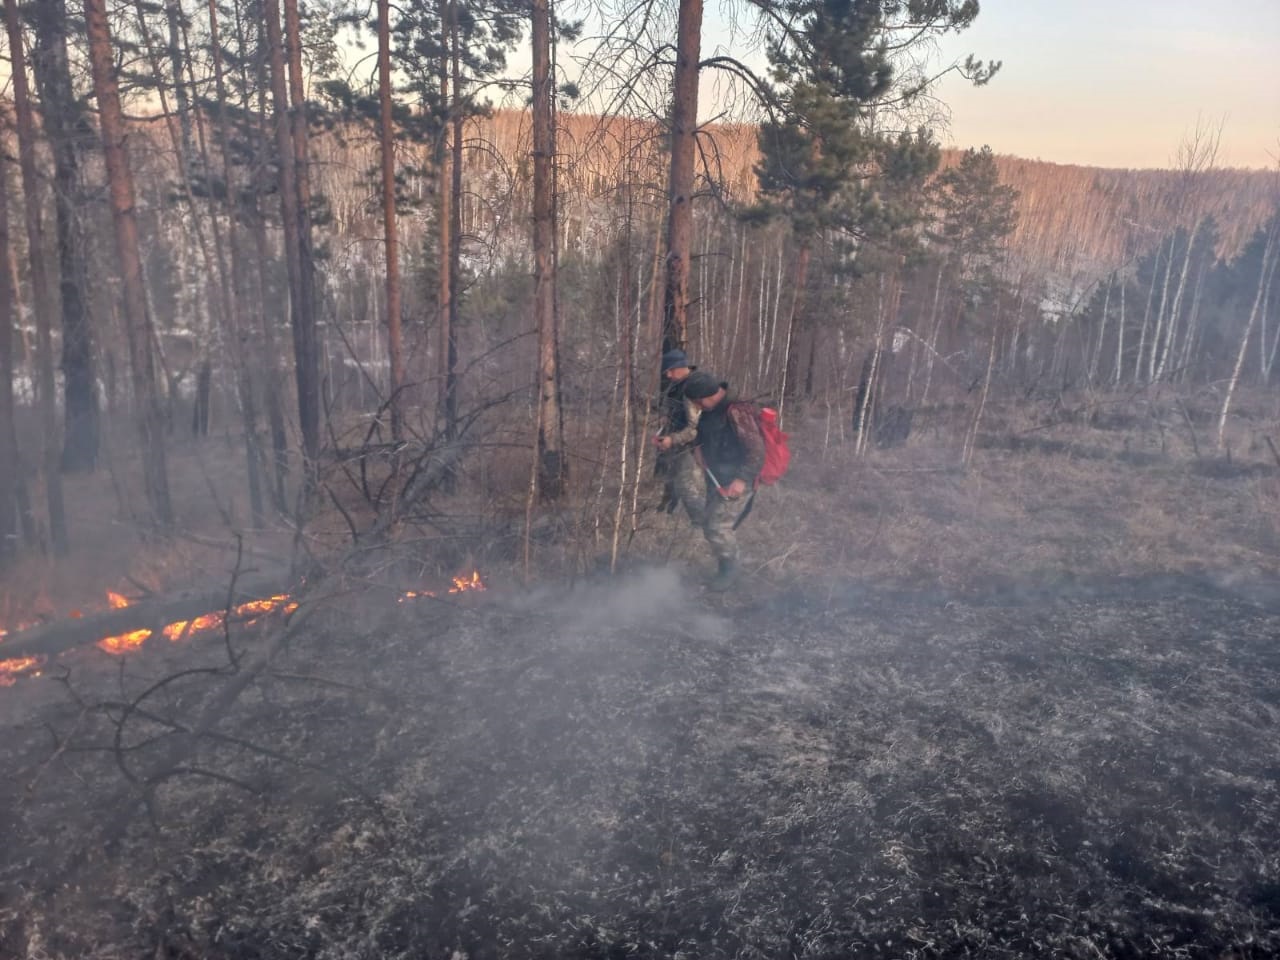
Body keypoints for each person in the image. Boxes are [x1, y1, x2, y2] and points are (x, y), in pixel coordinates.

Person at [680, 371, 765, 590]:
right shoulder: (711, 410)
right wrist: (698, 448)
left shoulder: (736, 410)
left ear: (708, 395)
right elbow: (703, 433)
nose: (698, 407)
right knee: (711, 523)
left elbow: (756, 450)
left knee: (717, 527)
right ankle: (726, 565)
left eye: (699, 402)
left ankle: (731, 571)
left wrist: (742, 479)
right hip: (717, 477)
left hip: (736, 480)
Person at [653, 349, 706, 524]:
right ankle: (668, 511)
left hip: (690, 445)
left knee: (685, 483)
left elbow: (694, 428)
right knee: (672, 477)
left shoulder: (692, 388)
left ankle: (702, 522)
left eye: (670, 370)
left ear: (680, 368)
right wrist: (665, 417)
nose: (667, 375)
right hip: (676, 443)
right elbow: (670, 406)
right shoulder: (677, 384)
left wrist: (672, 439)